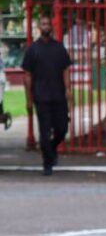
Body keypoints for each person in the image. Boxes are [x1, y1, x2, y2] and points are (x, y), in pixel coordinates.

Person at [21, 15, 72, 175]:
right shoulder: (32, 50)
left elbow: (65, 70)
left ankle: (52, 149)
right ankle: (47, 163)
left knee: (62, 128)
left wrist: (68, 89)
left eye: (48, 24)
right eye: (43, 24)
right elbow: (27, 75)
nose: (46, 26)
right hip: (41, 96)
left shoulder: (59, 48)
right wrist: (29, 99)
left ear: (51, 27)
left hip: (58, 95)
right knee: (44, 132)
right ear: (39, 28)